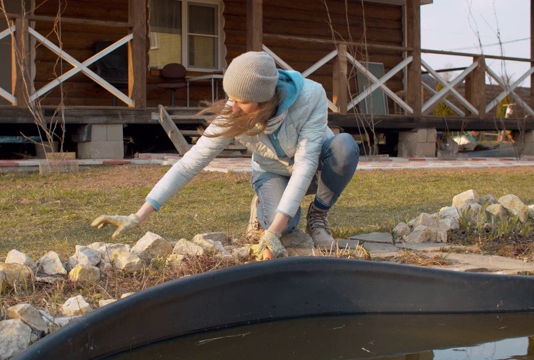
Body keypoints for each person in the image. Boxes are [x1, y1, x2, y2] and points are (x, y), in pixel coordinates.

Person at [91, 51, 359, 261]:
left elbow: (305, 164)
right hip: (272, 172)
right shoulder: (234, 112)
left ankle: (319, 215)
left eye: (241, 100)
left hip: (313, 167)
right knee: (285, 229)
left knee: (345, 147)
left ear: (263, 99)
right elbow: (189, 165)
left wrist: (272, 233)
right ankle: (263, 206)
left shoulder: (311, 97)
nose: (233, 106)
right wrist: (138, 215)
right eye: (230, 97)